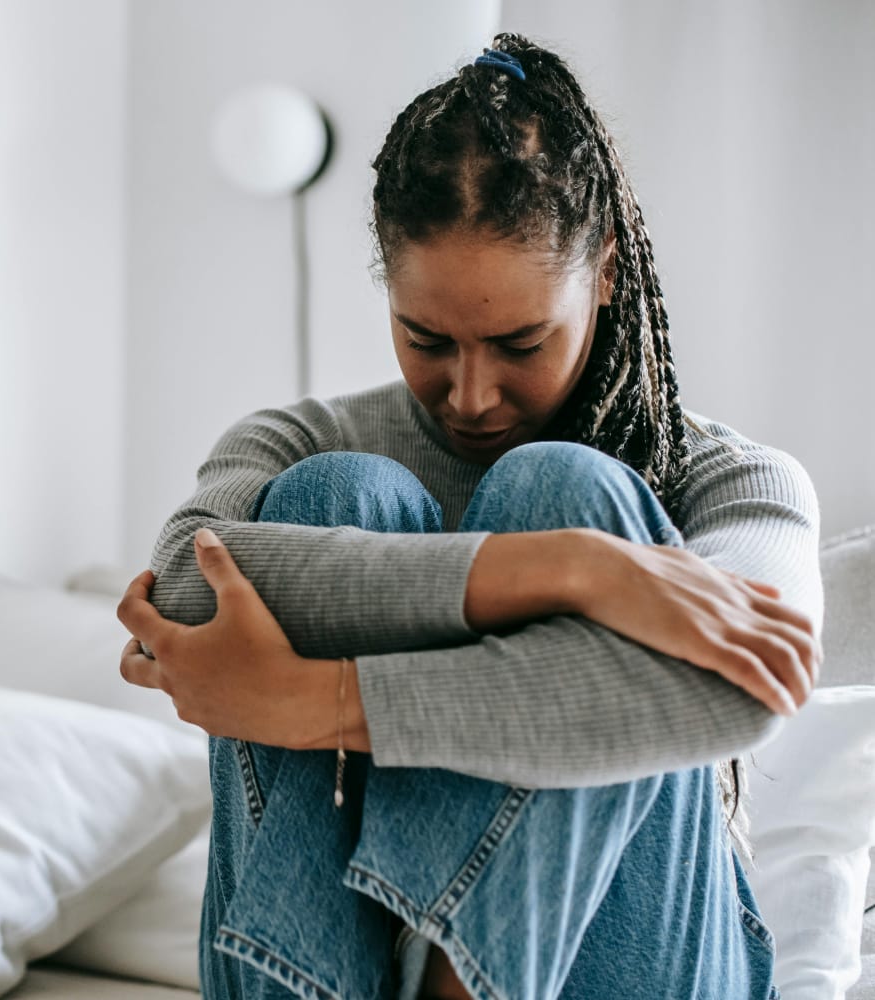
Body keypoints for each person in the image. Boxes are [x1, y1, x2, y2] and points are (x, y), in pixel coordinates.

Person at [114, 33, 822, 1000]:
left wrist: (318, 702)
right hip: (332, 964)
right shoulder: (296, 439)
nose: (472, 394)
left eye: (521, 342)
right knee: (334, 497)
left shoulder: (728, 478)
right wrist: (575, 571)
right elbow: (180, 592)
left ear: (606, 273)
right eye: (427, 339)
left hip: (631, 966)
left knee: (568, 487)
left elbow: (749, 688)